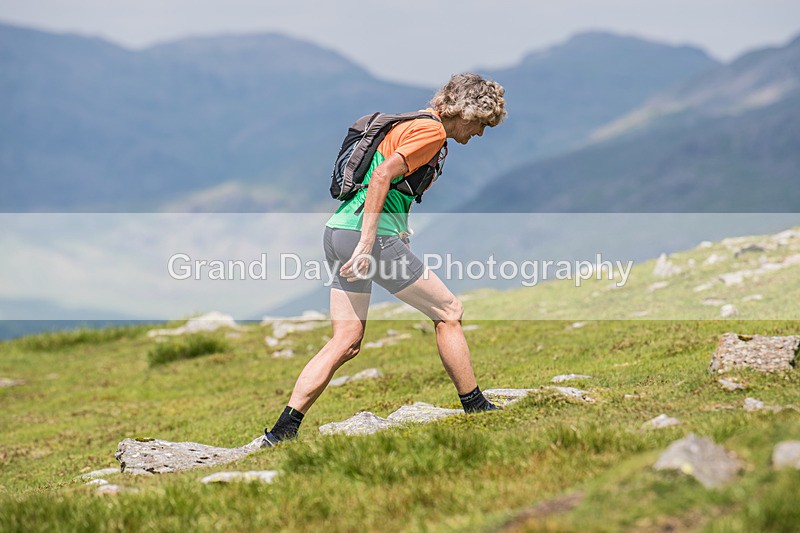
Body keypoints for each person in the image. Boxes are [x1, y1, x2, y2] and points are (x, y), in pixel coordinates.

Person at [264, 73, 507, 446]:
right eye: (480, 123)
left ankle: (282, 431)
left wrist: (392, 230)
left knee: (346, 340)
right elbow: (380, 177)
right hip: (367, 239)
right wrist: (367, 245)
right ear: (464, 111)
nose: (479, 133)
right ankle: (476, 407)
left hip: (337, 231)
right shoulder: (433, 133)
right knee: (449, 312)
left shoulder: (411, 123)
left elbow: (391, 188)